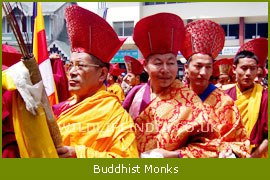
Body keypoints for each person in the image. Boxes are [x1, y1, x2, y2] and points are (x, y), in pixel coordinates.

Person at [128, 12, 237, 158]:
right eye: (158, 63)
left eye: (171, 63)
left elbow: (210, 146)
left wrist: (173, 155)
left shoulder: (189, 100)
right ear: (146, 66)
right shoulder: (136, 94)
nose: (165, 69)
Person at [53, 5, 139, 158]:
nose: (72, 72)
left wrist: (79, 154)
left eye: (81, 66)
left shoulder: (115, 115)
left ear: (102, 74)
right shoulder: (62, 108)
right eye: (70, 65)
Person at [181, 19, 250, 158]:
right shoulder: (174, 99)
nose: (203, 72)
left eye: (208, 67)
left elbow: (240, 143)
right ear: (186, 68)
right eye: (198, 66)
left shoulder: (225, 102)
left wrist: (231, 153)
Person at [225, 38, 268, 158]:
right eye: (244, 68)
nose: (248, 73)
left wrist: (252, 157)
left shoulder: (265, 96)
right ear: (234, 69)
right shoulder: (224, 94)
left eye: (253, 68)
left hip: (257, 155)